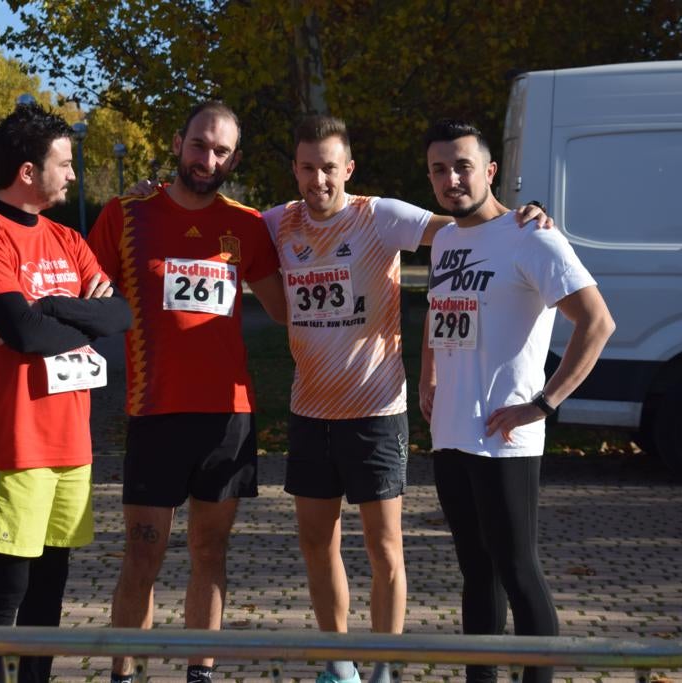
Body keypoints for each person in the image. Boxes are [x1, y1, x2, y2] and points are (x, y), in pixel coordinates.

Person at [263, 114, 550, 683]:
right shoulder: (277, 222)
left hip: (375, 409)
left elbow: (464, 223)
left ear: (348, 169)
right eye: (307, 168)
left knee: (384, 547)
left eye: (329, 168)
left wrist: (525, 216)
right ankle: (338, 663)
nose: (318, 180)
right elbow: (218, 222)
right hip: (309, 410)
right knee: (318, 544)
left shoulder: (382, 215)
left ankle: (382, 667)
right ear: (294, 170)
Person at [87, 100, 286, 683]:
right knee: (142, 556)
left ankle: (200, 673)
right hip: (155, 411)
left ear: (235, 158)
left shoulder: (247, 224)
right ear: (179, 143)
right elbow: (84, 290)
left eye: (221, 150)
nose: (208, 158)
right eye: (199, 144)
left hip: (228, 418)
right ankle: (125, 674)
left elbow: (284, 308)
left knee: (209, 553)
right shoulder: (126, 214)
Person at [418, 119, 614, 683]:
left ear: (490, 170)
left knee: (518, 571)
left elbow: (598, 322)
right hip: (452, 430)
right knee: (475, 573)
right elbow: (440, 311)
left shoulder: (533, 237)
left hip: (507, 436)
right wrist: (429, 378)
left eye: (463, 166)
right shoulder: (449, 239)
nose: (451, 178)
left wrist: (545, 403)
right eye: (439, 169)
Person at [0, 102, 132, 683]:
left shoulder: (69, 240)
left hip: (71, 441)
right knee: (7, 588)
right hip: (15, 438)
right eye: (65, 163)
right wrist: (65, 320)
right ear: (28, 172)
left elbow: (120, 315)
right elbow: (21, 332)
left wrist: (51, 308)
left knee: (51, 588)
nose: (73, 174)